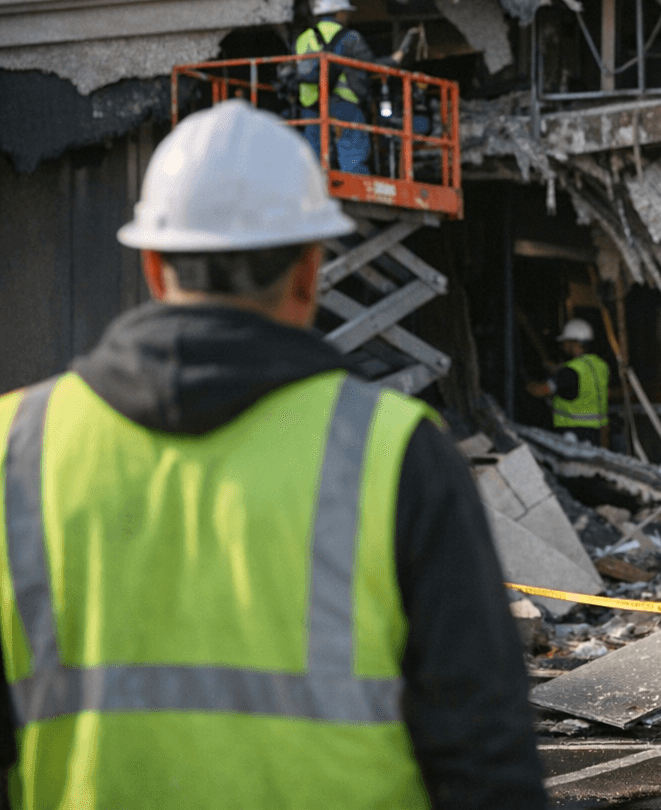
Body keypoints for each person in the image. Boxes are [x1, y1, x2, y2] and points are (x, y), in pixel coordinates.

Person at [0, 100, 546, 808]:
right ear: (309, 271)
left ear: (156, 266)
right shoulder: (395, 454)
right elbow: (487, 764)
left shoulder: (18, 450)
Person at [294, 0, 413, 175]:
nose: (348, 17)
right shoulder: (350, 37)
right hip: (342, 103)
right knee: (353, 148)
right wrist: (395, 59)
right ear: (340, 13)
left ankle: (312, 189)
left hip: (311, 105)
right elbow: (370, 66)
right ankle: (355, 184)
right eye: (346, 13)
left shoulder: (303, 38)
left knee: (313, 152)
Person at [527, 318, 610, 448]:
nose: (563, 347)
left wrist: (527, 383)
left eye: (565, 343)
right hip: (596, 433)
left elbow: (540, 391)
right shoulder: (600, 365)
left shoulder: (570, 371)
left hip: (573, 434)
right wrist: (557, 370)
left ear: (574, 343)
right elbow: (584, 381)